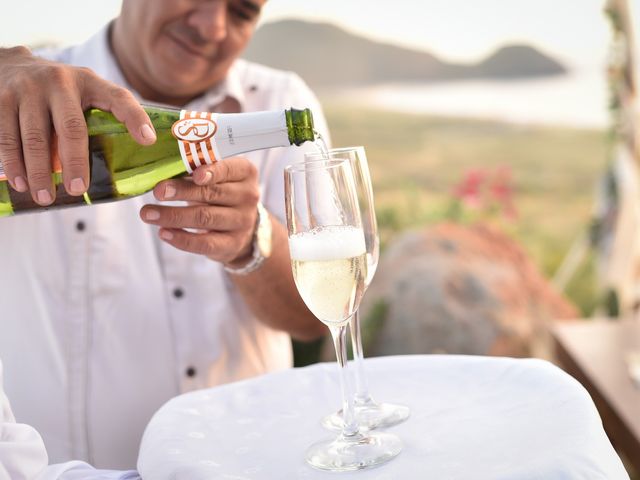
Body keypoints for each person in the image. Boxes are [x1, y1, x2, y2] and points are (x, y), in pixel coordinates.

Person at [0, 0, 329, 470]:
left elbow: (315, 320)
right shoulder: (23, 90)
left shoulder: (280, 103)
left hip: (251, 464)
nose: (211, 26)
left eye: (241, 11)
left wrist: (252, 241)